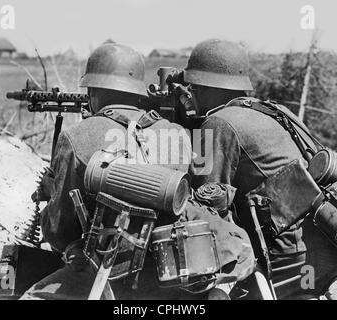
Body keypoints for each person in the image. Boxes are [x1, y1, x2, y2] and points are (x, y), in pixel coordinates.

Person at [21, 42, 255, 300]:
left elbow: (59, 233)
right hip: (172, 277)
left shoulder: (76, 137)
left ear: (94, 91)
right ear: (137, 92)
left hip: (104, 278)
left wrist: (50, 198)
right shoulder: (176, 134)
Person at [185, 38, 337, 299]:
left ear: (205, 87)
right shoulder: (276, 110)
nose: (190, 94)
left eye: (193, 87)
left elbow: (207, 210)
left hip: (292, 260)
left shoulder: (217, 123)